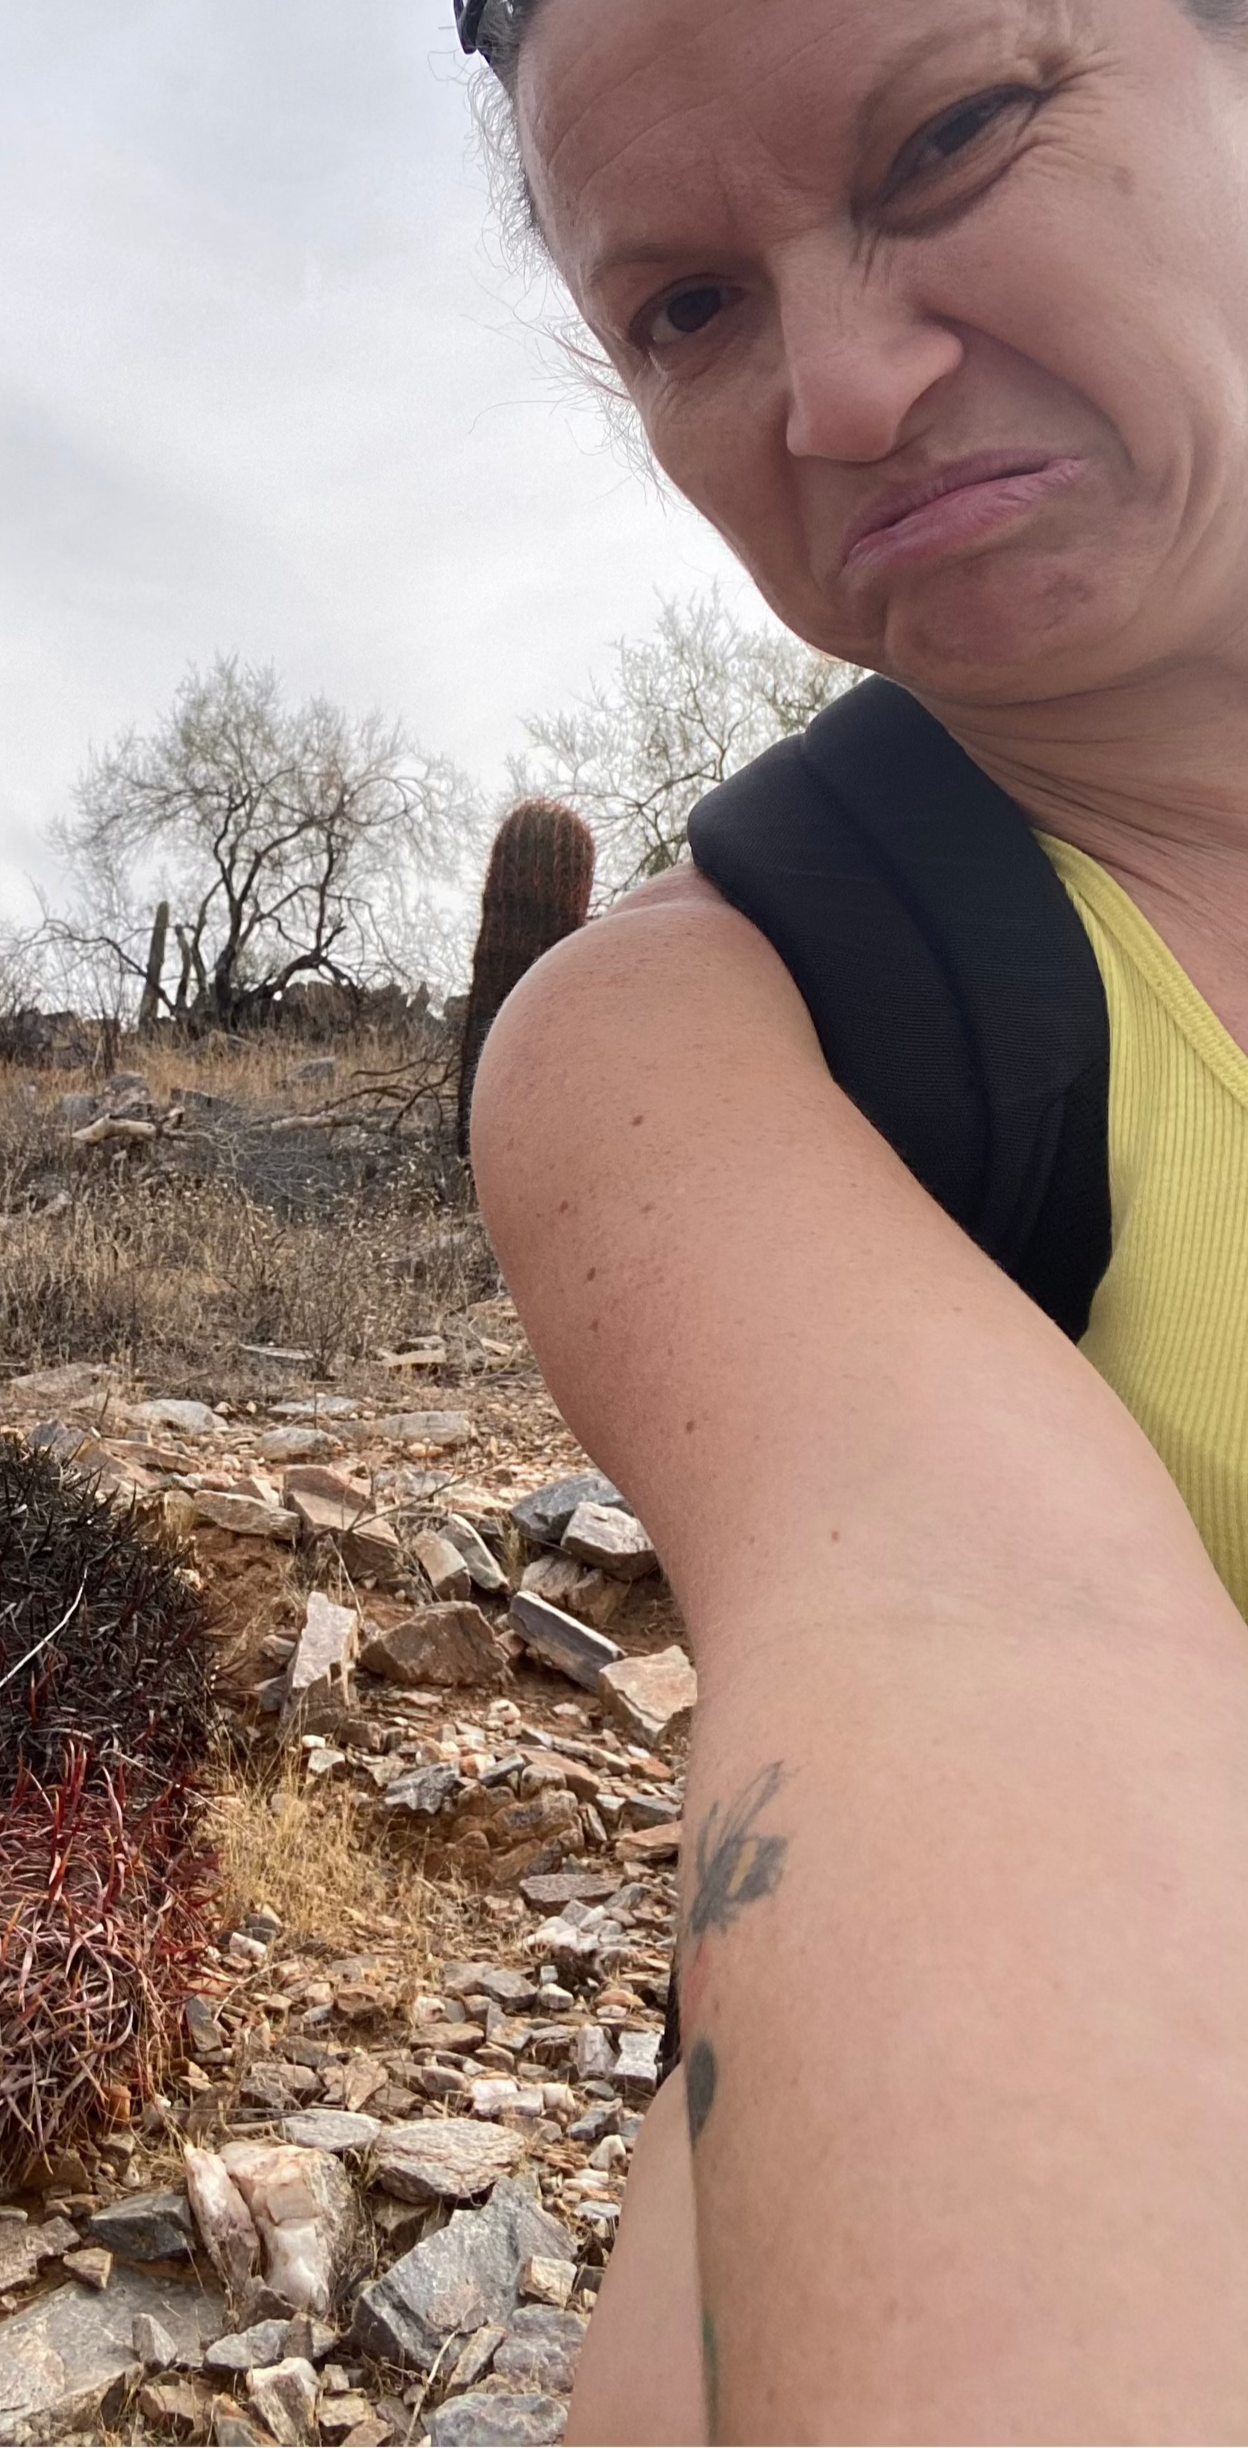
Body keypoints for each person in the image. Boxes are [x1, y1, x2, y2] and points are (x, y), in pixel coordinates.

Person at [459, 0, 1248, 2438]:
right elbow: (961, 1652)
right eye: (683, 308)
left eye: (948, 135)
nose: (831, 390)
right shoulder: (712, 1028)